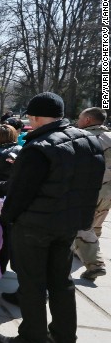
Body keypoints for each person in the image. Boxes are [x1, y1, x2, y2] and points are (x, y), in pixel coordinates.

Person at [0, 92, 105, 343]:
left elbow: (19, 193)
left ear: (34, 116)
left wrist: (7, 219)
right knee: (61, 282)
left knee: (32, 285)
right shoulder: (89, 141)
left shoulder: (38, 147)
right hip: (67, 225)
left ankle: (31, 340)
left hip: (34, 227)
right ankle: (64, 338)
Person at [73, 107, 111, 281]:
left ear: (87, 120)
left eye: (80, 117)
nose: (78, 120)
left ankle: (95, 264)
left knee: (84, 226)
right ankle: (83, 253)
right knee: (96, 224)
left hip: (89, 191)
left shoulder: (84, 138)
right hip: (108, 192)